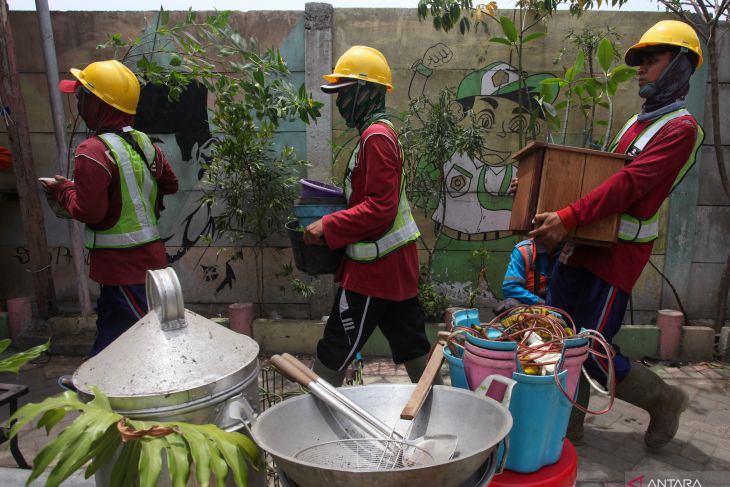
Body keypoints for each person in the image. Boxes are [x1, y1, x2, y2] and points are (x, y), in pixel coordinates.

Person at [528, 20, 704, 450]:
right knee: (560, 336)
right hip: (585, 244)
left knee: (591, 349)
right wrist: (538, 187)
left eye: (652, 59)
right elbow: (598, 180)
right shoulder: (636, 123)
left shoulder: (679, 130)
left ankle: (664, 400)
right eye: (639, 61)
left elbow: (628, 185)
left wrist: (569, 217)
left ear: (681, 65)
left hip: (617, 257)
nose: (641, 68)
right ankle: (568, 431)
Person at [302, 46, 435, 386]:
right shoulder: (377, 134)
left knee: (336, 346)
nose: (340, 101)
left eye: (344, 92)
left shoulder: (376, 137)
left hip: (375, 270)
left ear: (365, 91)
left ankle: (312, 416)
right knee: (411, 342)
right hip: (393, 266)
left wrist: (328, 224)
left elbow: (380, 207)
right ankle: (437, 411)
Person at [41, 60, 179, 357]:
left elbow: (89, 211)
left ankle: (101, 390)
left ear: (100, 103)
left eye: (81, 95)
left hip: (121, 268)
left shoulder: (92, 151)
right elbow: (170, 184)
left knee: (136, 341)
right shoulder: (145, 144)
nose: (78, 102)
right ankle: (93, 383)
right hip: (151, 260)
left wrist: (63, 190)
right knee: (117, 332)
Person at [497, 238, 559, 313]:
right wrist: (543, 304)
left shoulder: (568, 250)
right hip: (530, 305)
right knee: (511, 303)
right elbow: (510, 287)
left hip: (559, 306)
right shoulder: (524, 250)